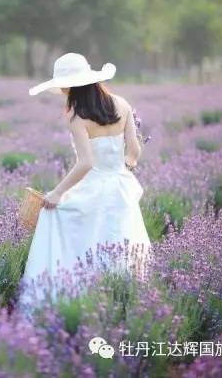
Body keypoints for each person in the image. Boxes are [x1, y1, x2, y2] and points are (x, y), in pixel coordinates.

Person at [19, 52, 151, 319]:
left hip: (93, 188)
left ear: (71, 86)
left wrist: (57, 193)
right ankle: (122, 303)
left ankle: (70, 298)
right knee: (119, 244)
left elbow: (86, 163)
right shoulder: (122, 105)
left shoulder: (77, 117)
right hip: (120, 188)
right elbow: (134, 152)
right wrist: (120, 166)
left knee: (57, 223)